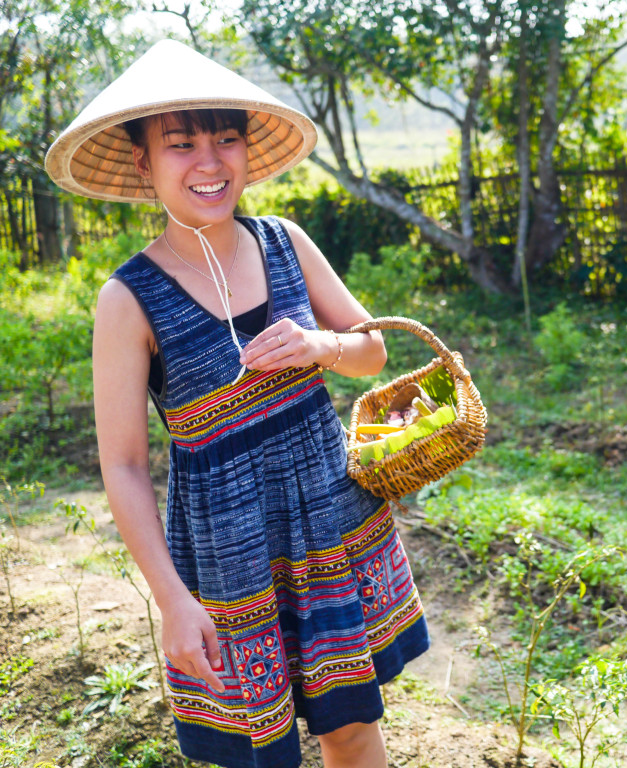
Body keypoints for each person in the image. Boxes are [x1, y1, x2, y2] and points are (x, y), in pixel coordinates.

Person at [45, 39, 429, 768]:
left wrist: (321, 346)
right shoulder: (129, 299)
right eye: (181, 144)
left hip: (331, 521)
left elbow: (372, 350)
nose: (209, 162)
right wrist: (173, 602)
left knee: (352, 722)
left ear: (248, 150)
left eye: (226, 139)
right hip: (228, 553)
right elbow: (123, 465)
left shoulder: (284, 242)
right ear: (143, 164)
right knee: (261, 751)